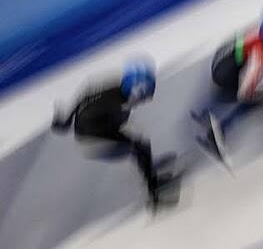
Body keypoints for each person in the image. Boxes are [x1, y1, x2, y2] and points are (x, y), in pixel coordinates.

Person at [52, 59, 176, 211]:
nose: (148, 98)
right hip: (93, 142)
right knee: (138, 147)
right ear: (137, 90)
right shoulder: (120, 100)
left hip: (96, 130)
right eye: (147, 92)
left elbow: (88, 91)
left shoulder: (117, 89)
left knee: (140, 145)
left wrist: (66, 120)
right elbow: (91, 96)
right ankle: (153, 194)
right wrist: (67, 120)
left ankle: (148, 172)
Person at [194, 9, 263, 171]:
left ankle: (220, 127)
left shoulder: (259, 32)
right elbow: (245, 92)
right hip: (226, 81)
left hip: (222, 69)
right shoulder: (261, 54)